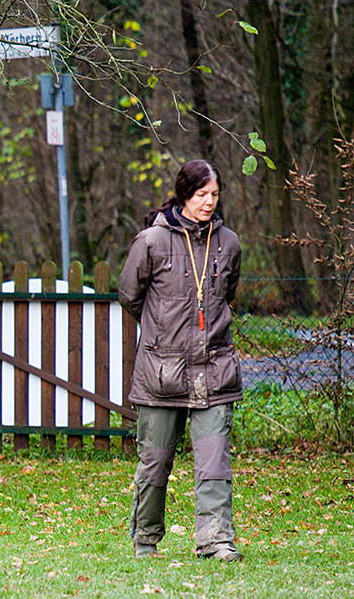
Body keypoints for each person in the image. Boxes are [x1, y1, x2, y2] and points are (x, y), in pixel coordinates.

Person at [119, 160, 244, 562]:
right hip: (161, 374)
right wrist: (160, 335)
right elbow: (129, 295)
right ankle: (146, 540)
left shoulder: (229, 243)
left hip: (215, 371)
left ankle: (216, 542)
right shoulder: (152, 240)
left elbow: (229, 292)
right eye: (201, 194)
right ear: (184, 194)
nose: (209, 202)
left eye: (215, 195)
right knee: (154, 466)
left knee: (214, 468)